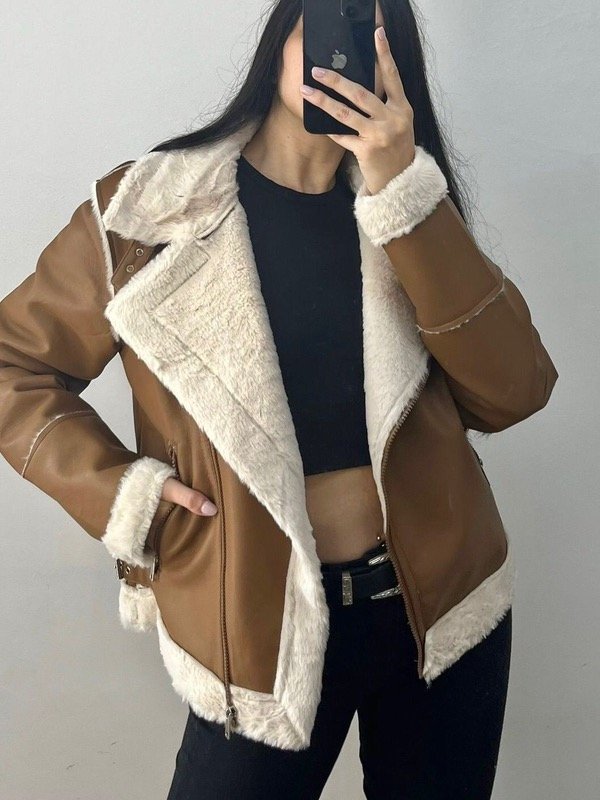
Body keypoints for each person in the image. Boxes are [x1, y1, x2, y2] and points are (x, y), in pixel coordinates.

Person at [0, 1, 558, 798]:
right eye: (329, 20)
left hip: (442, 611)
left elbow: (515, 391)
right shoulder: (147, 213)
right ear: (283, 35)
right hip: (261, 627)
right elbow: (12, 365)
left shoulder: (404, 206)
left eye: (371, 35)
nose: (344, 51)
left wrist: (405, 196)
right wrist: (130, 498)